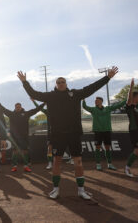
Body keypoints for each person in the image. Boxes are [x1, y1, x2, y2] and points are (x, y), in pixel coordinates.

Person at [17, 66, 118, 200]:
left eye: (62, 81)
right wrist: (25, 82)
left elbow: (92, 87)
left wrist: (108, 77)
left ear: (66, 84)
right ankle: (56, 189)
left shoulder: (75, 94)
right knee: (57, 161)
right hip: (58, 135)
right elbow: (34, 94)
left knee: (78, 161)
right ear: (56, 85)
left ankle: (81, 190)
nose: (60, 84)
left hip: (74, 133)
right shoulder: (50, 96)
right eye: (58, 82)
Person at [0, 102, 44, 172]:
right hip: (14, 137)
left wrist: (43, 104)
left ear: (21, 107)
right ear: (15, 108)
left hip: (24, 136)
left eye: (19, 107)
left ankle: (26, 166)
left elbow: (36, 110)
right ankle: (14, 166)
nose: (18, 108)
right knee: (15, 151)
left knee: (25, 151)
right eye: (16, 107)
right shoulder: (11, 114)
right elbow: (3, 109)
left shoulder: (26, 113)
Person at [82, 97, 126, 171]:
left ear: (101, 101)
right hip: (98, 131)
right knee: (98, 147)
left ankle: (109, 164)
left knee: (107, 147)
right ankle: (98, 164)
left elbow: (118, 105)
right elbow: (84, 106)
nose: (96, 101)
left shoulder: (108, 108)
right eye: (95, 101)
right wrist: (83, 99)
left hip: (107, 131)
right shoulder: (93, 109)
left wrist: (127, 99)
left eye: (97, 100)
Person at [31, 98, 53, 169]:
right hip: (51, 132)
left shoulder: (59, 111)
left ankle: (56, 163)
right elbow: (39, 108)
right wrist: (34, 101)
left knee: (58, 149)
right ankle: (50, 163)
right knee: (50, 148)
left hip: (59, 132)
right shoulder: (47, 111)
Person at [125, 78, 138, 177]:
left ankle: (127, 168)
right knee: (137, 150)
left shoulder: (137, 107)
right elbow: (129, 98)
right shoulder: (129, 106)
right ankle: (127, 168)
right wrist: (131, 87)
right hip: (134, 131)